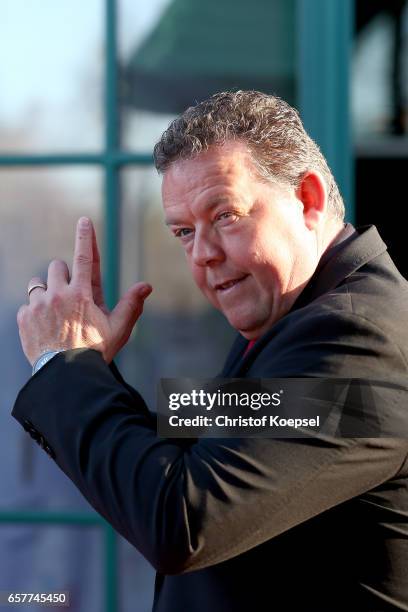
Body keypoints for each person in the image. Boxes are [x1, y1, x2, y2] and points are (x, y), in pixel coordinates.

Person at [13, 91, 408, 611]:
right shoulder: (299, 316)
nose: (202, 254)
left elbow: (182, 519)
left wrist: (62, 366)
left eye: (224, 215)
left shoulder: (355, 336)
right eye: (183, 231)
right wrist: (88, 368)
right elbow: (202, 441)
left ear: (308, 200)